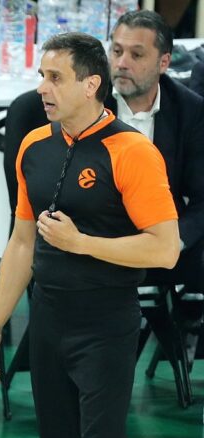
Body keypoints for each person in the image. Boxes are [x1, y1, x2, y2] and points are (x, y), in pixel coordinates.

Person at [0, 33, 179, 438]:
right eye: (41, 76)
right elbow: (22, 244)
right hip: (47, 318)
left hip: (105, 322)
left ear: (90, 85)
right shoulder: (33, 146)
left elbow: (165, 249)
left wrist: (81, 243)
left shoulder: (132, 152)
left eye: (55, 78)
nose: (41, 88)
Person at [106, 10, 204, 321]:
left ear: (164, 62)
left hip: (162, 240)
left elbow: (202, 198)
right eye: (116, 51)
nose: (122, 63)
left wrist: (174, 242)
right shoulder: (87, 102)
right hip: (95, 239)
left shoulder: (190, 110)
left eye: (136, 55)